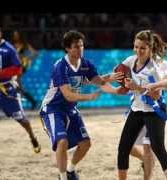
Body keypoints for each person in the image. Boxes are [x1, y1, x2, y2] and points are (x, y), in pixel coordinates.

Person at [39, 30, 123, 180]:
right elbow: (68, 95)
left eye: (82, 46)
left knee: (86, 143)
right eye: (76, 47)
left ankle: (71, 170)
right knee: (62, 141)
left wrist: (114, 81)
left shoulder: (85, 64)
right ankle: (62, 176)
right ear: (67, 48)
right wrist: (90, 96)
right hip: (53, 108)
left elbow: (99, 81)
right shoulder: (61, 66)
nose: (80, 49)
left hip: (70, 108)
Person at [114, 29, 167, 180]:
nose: (138, 51)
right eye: (136, 46)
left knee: (157, 148)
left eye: (142, 48)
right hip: (137, 109)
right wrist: (115, 79)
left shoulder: (155, 67)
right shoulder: (131, 60)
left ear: (151, 48)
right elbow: (118, 71)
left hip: (155, 110)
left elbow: (157, 95)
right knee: (123, 148)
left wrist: (137, 88)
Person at [0, 24, 41, 153]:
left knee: (21, 119)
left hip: (6, 88)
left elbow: (18, 68)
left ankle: (32, 136)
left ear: (0, 34)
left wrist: (1, 73)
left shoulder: (9, 49)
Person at [12, 30, 38, 109]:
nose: (15, 36)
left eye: (16, 34)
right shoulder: (13, 45)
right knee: (17, 86)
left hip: (21, 67)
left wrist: (26, 59)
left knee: (17, 85)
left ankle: (19, 104)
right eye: (14, 35)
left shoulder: (24, 45)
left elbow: (35, 53)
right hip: (14, 67)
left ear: (20, 35)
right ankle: (32, 101)